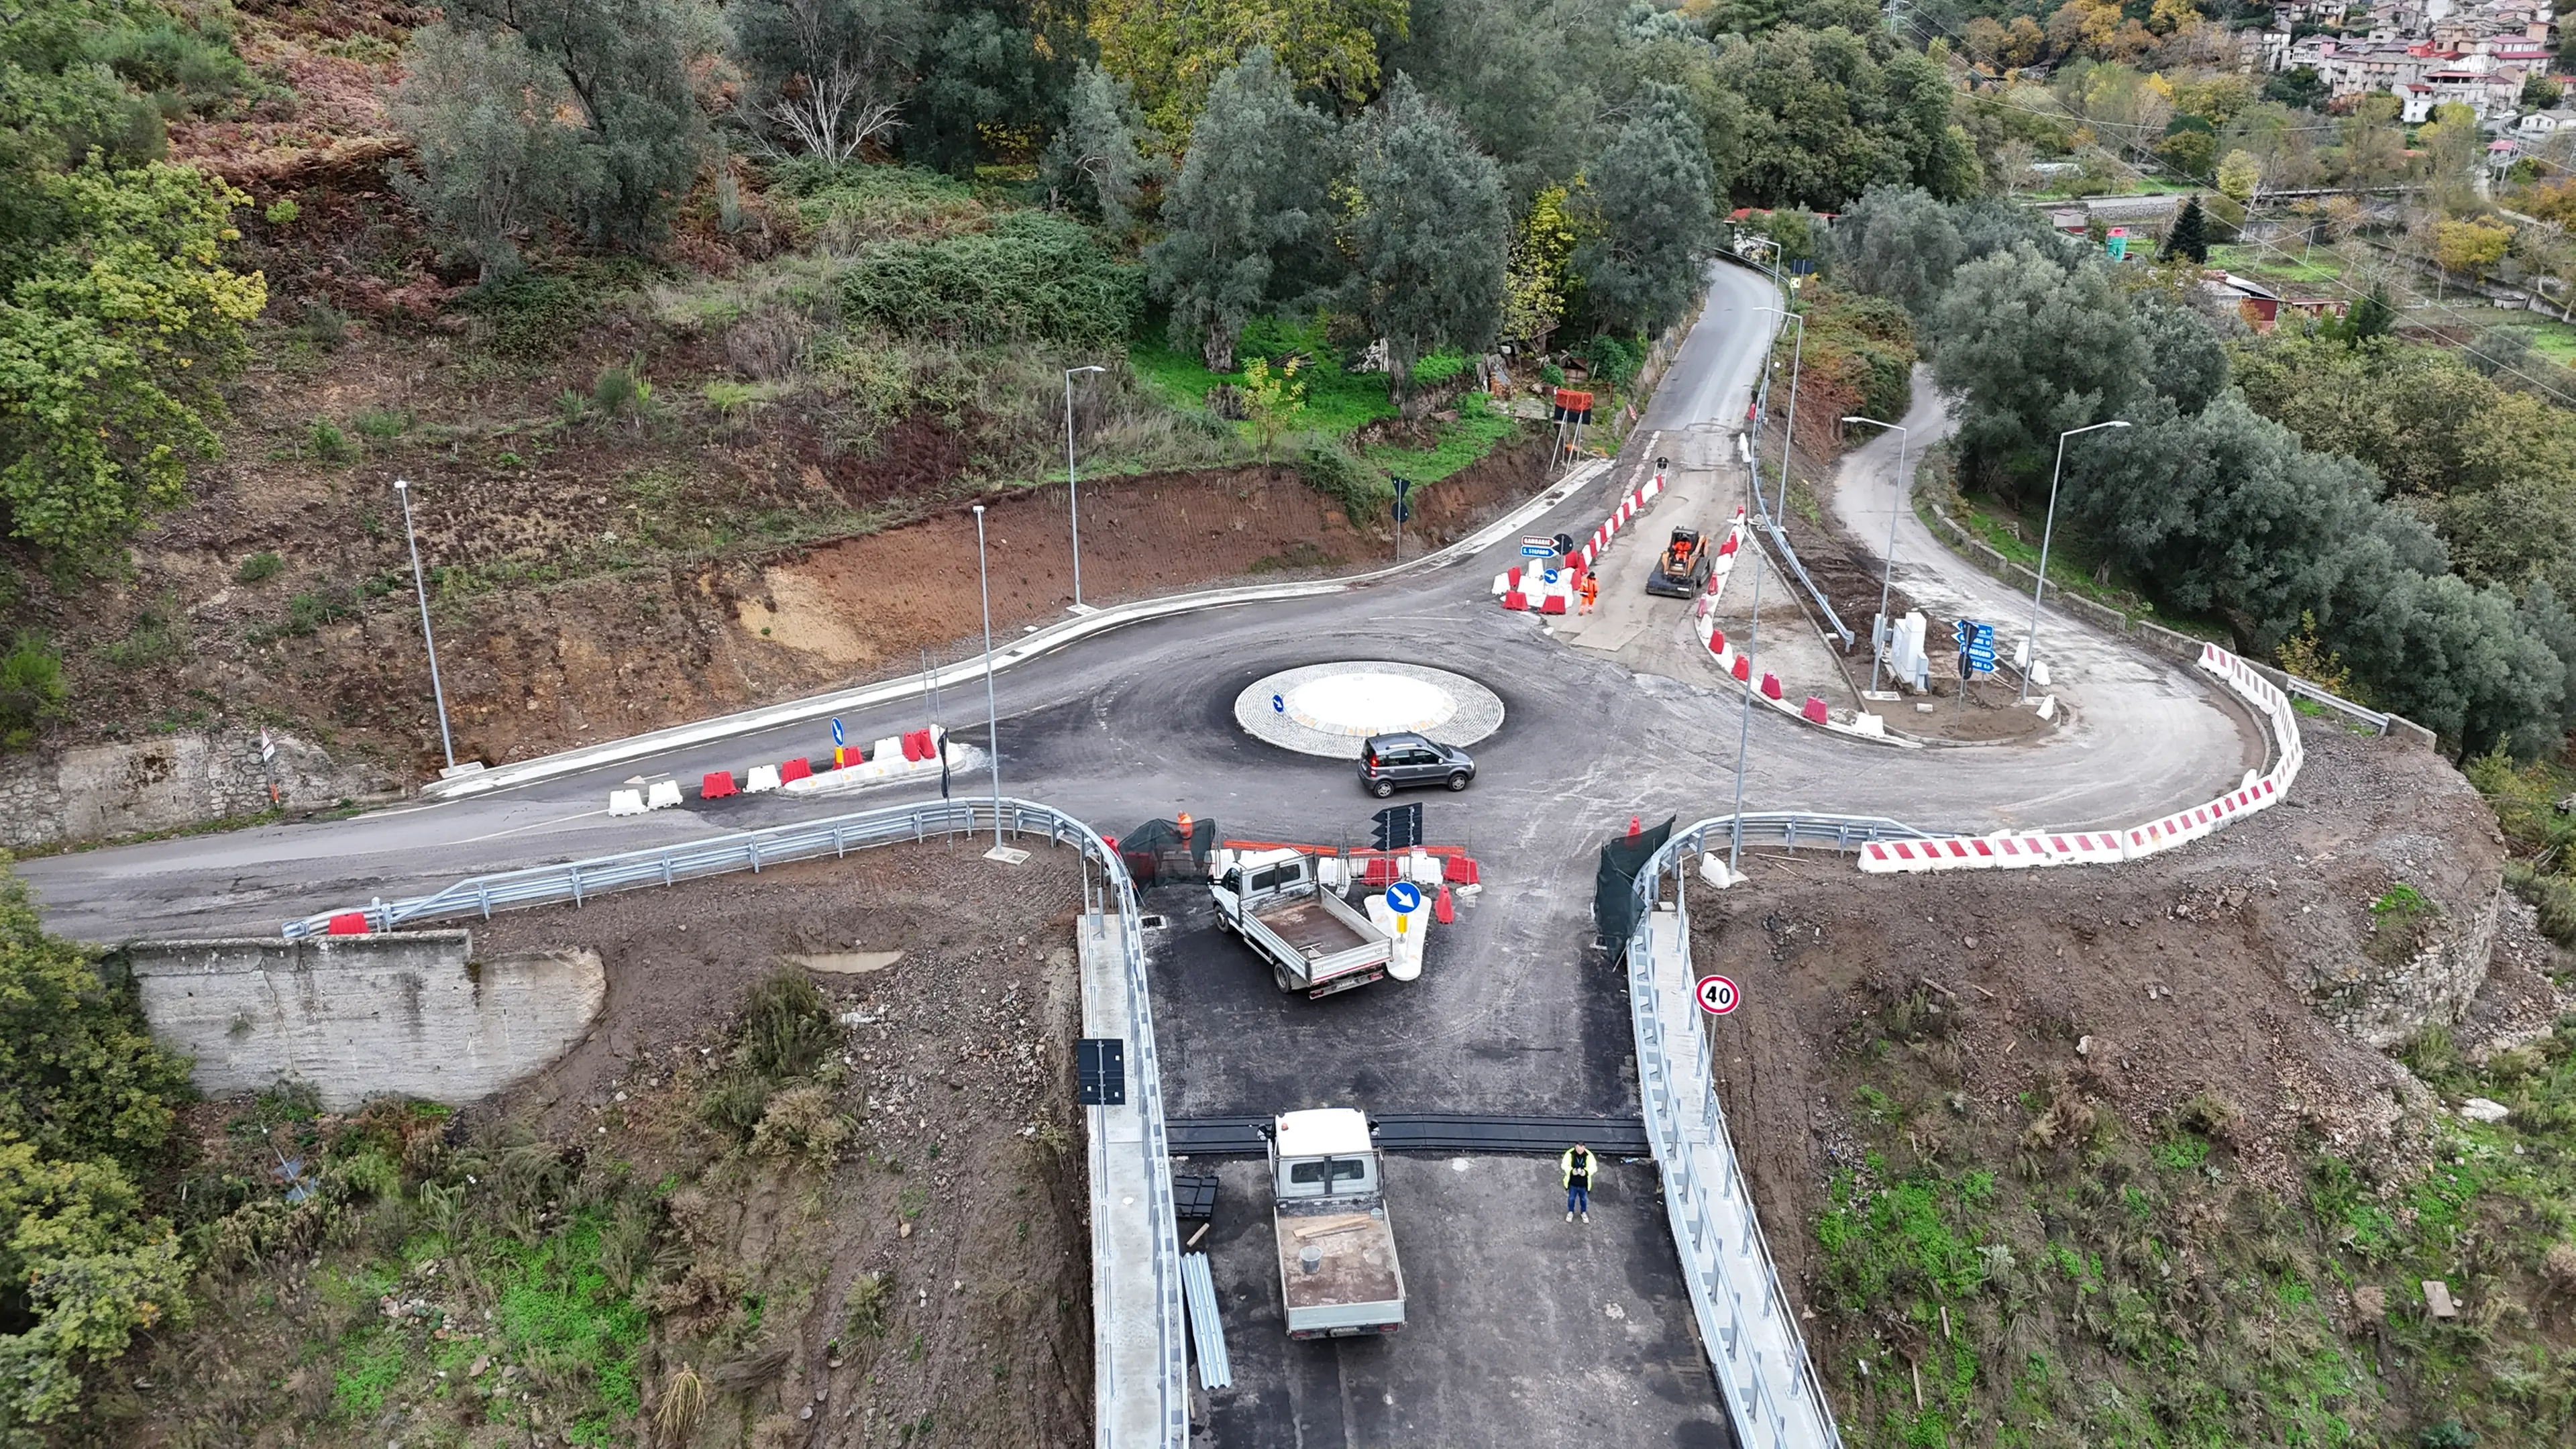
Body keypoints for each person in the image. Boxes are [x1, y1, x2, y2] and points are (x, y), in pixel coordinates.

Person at [1562, 1142, 1598, 1222]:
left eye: (1581, 1150)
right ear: (1575, 1147)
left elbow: (1594, 1168)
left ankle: (1583, 1212)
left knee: (1584, 1200)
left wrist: (1586, 1172)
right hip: (1573, 1183)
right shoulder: (1570, 1154)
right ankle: (1571, 1212)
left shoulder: (1589, 1156)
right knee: (1571, 1199)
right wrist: (1571, 1171)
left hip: (1584, 1184)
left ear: (1584, 1148)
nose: (1579, 1152)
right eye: (1578, 1150)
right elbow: (1564, 1165)